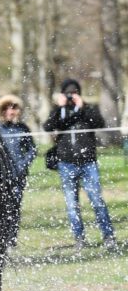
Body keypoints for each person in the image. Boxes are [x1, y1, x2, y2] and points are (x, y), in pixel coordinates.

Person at [42, 78, 117, 252]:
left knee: (97, 201)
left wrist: (83, 107)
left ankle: (108, 236)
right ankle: (79, 238)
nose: (71, 95)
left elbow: (99, 123)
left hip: (88, 163)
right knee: (71, 205)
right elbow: (47, 127)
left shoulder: (88, 109)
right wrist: (60, 107)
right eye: (68, 93)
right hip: (66, 164)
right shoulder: (58, 111)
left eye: (74, 92)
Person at [0, 94, 35, 243]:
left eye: (14, 108)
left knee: (14, 207)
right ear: (2, 111)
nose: (11, 112)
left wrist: (22, 166)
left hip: (18, 176)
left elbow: (32, 150)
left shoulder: (23, 129)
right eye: (7, 108)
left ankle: (11, 240)